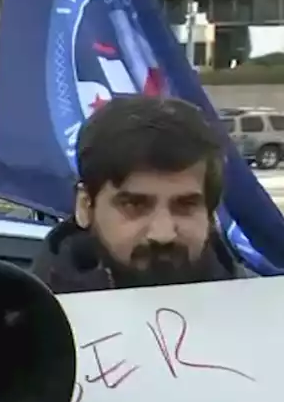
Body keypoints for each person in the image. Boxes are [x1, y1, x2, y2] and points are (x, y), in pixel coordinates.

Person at [31, 96, 254, 293]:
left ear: (210, 213)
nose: (163, 234)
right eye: (135, 205)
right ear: (85, 206)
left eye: (185, 205)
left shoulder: (266, 319)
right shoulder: (16, 327)